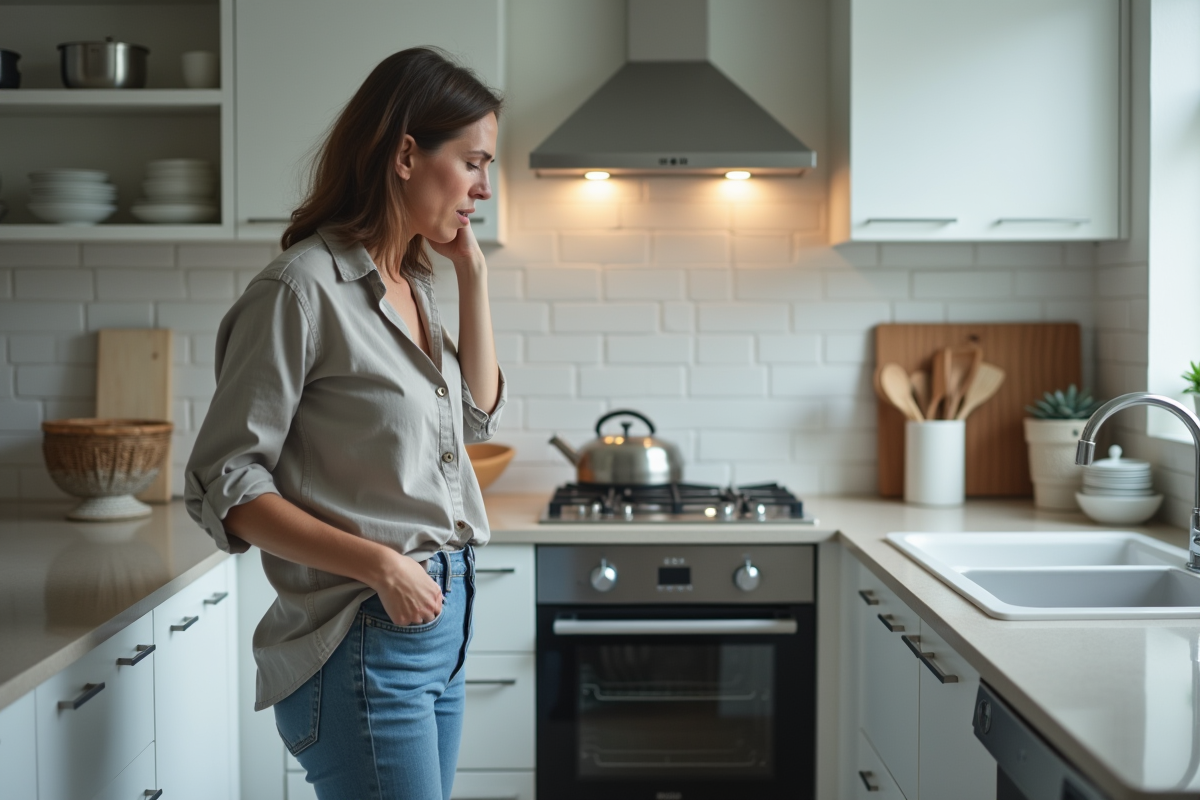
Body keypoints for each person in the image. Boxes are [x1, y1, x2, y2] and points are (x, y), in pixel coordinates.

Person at [184, 47, 505, 800]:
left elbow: (476, 418)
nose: (484, 188)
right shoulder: (300, 291)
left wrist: (473, 275)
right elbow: (225, 485)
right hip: (363, 640)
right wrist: (380, 565)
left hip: (439, 632)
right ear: (404, 153)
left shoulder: (411, 285)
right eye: (473, 162)